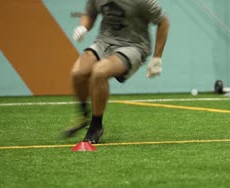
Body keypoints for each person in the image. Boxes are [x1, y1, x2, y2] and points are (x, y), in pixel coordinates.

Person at [63, 0, 170, 144]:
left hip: (133, 45)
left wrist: (157, 58)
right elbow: (90, 12)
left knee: (100, 72)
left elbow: (163, 21)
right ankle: (83, 116)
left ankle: (96, 126)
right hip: (104, 42)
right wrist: (83, 27)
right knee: (78, 73)